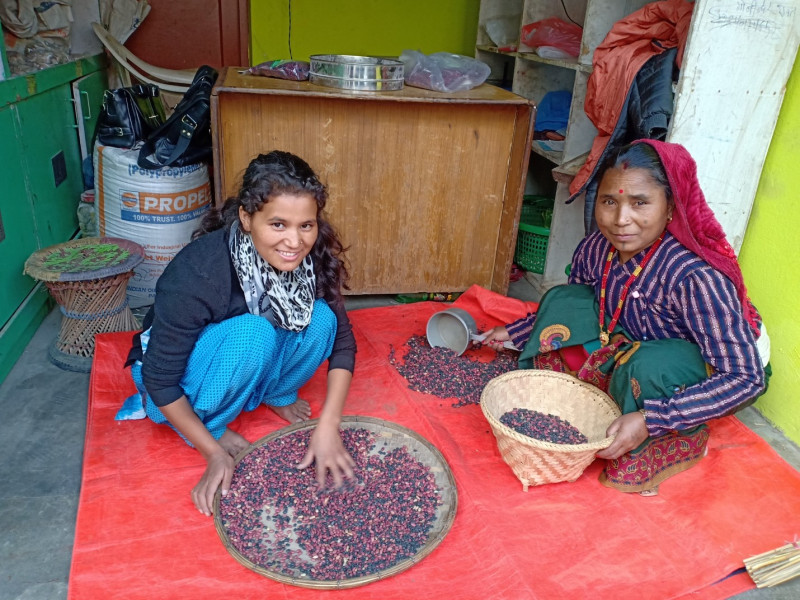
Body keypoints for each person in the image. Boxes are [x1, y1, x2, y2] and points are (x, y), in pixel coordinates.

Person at [480, 140, 769, 495]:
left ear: (670, 208)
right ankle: (621, 381)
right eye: (609, 202)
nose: (620, 220)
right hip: (638, 336)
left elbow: (746, 378)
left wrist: (651, 419)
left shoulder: (695, 277)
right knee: (563, 299)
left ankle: (680, 434)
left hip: (716, 361)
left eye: (640, 203)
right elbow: (576, 308)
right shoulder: (596, 248)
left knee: (646, 367)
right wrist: (519, 331)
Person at [125, 150, 357, 515]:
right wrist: (212, 452)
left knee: (322, 319)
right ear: (247, 218)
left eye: (305, 226)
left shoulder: (309, 257)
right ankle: (209, 425)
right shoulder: (199, 272)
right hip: (177, 379)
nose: (294, 242)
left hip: (237, 356)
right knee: (253, 332)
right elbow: (160, 379)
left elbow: (342, 342)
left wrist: (330, 424)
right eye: (278, 225)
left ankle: (276, 392)